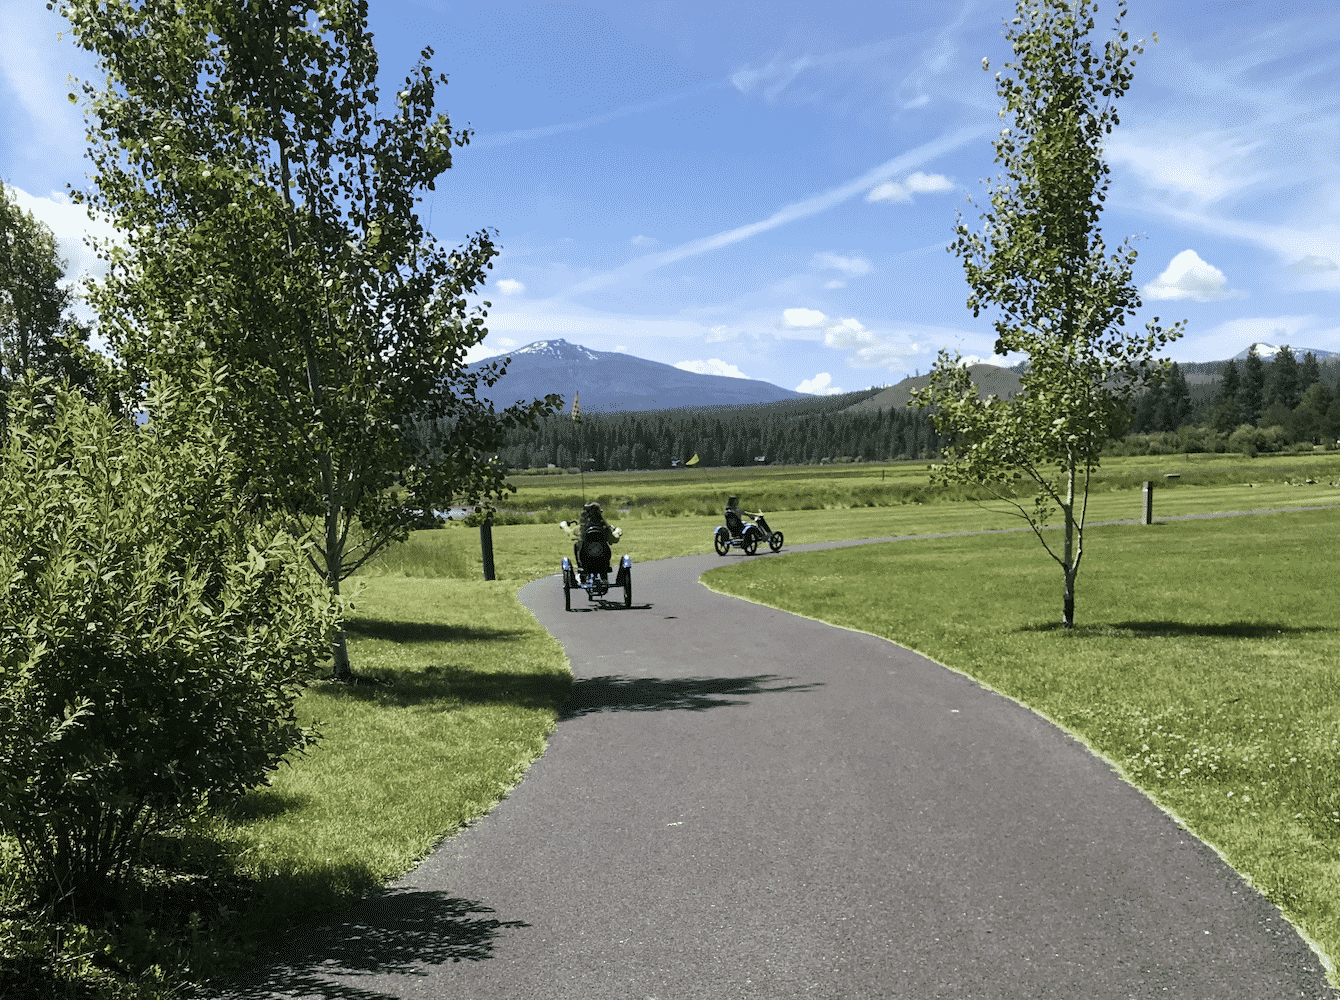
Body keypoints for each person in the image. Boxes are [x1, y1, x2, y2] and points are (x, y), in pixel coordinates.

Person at [559, 501, 622, 572]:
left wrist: (564, 526)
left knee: (577, 545)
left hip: (585, 560)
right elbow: (613, 539)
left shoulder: (581, 528)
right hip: (603, 561)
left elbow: (571, 534)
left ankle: (580, 566)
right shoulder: (604, 528)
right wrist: (617, 532)